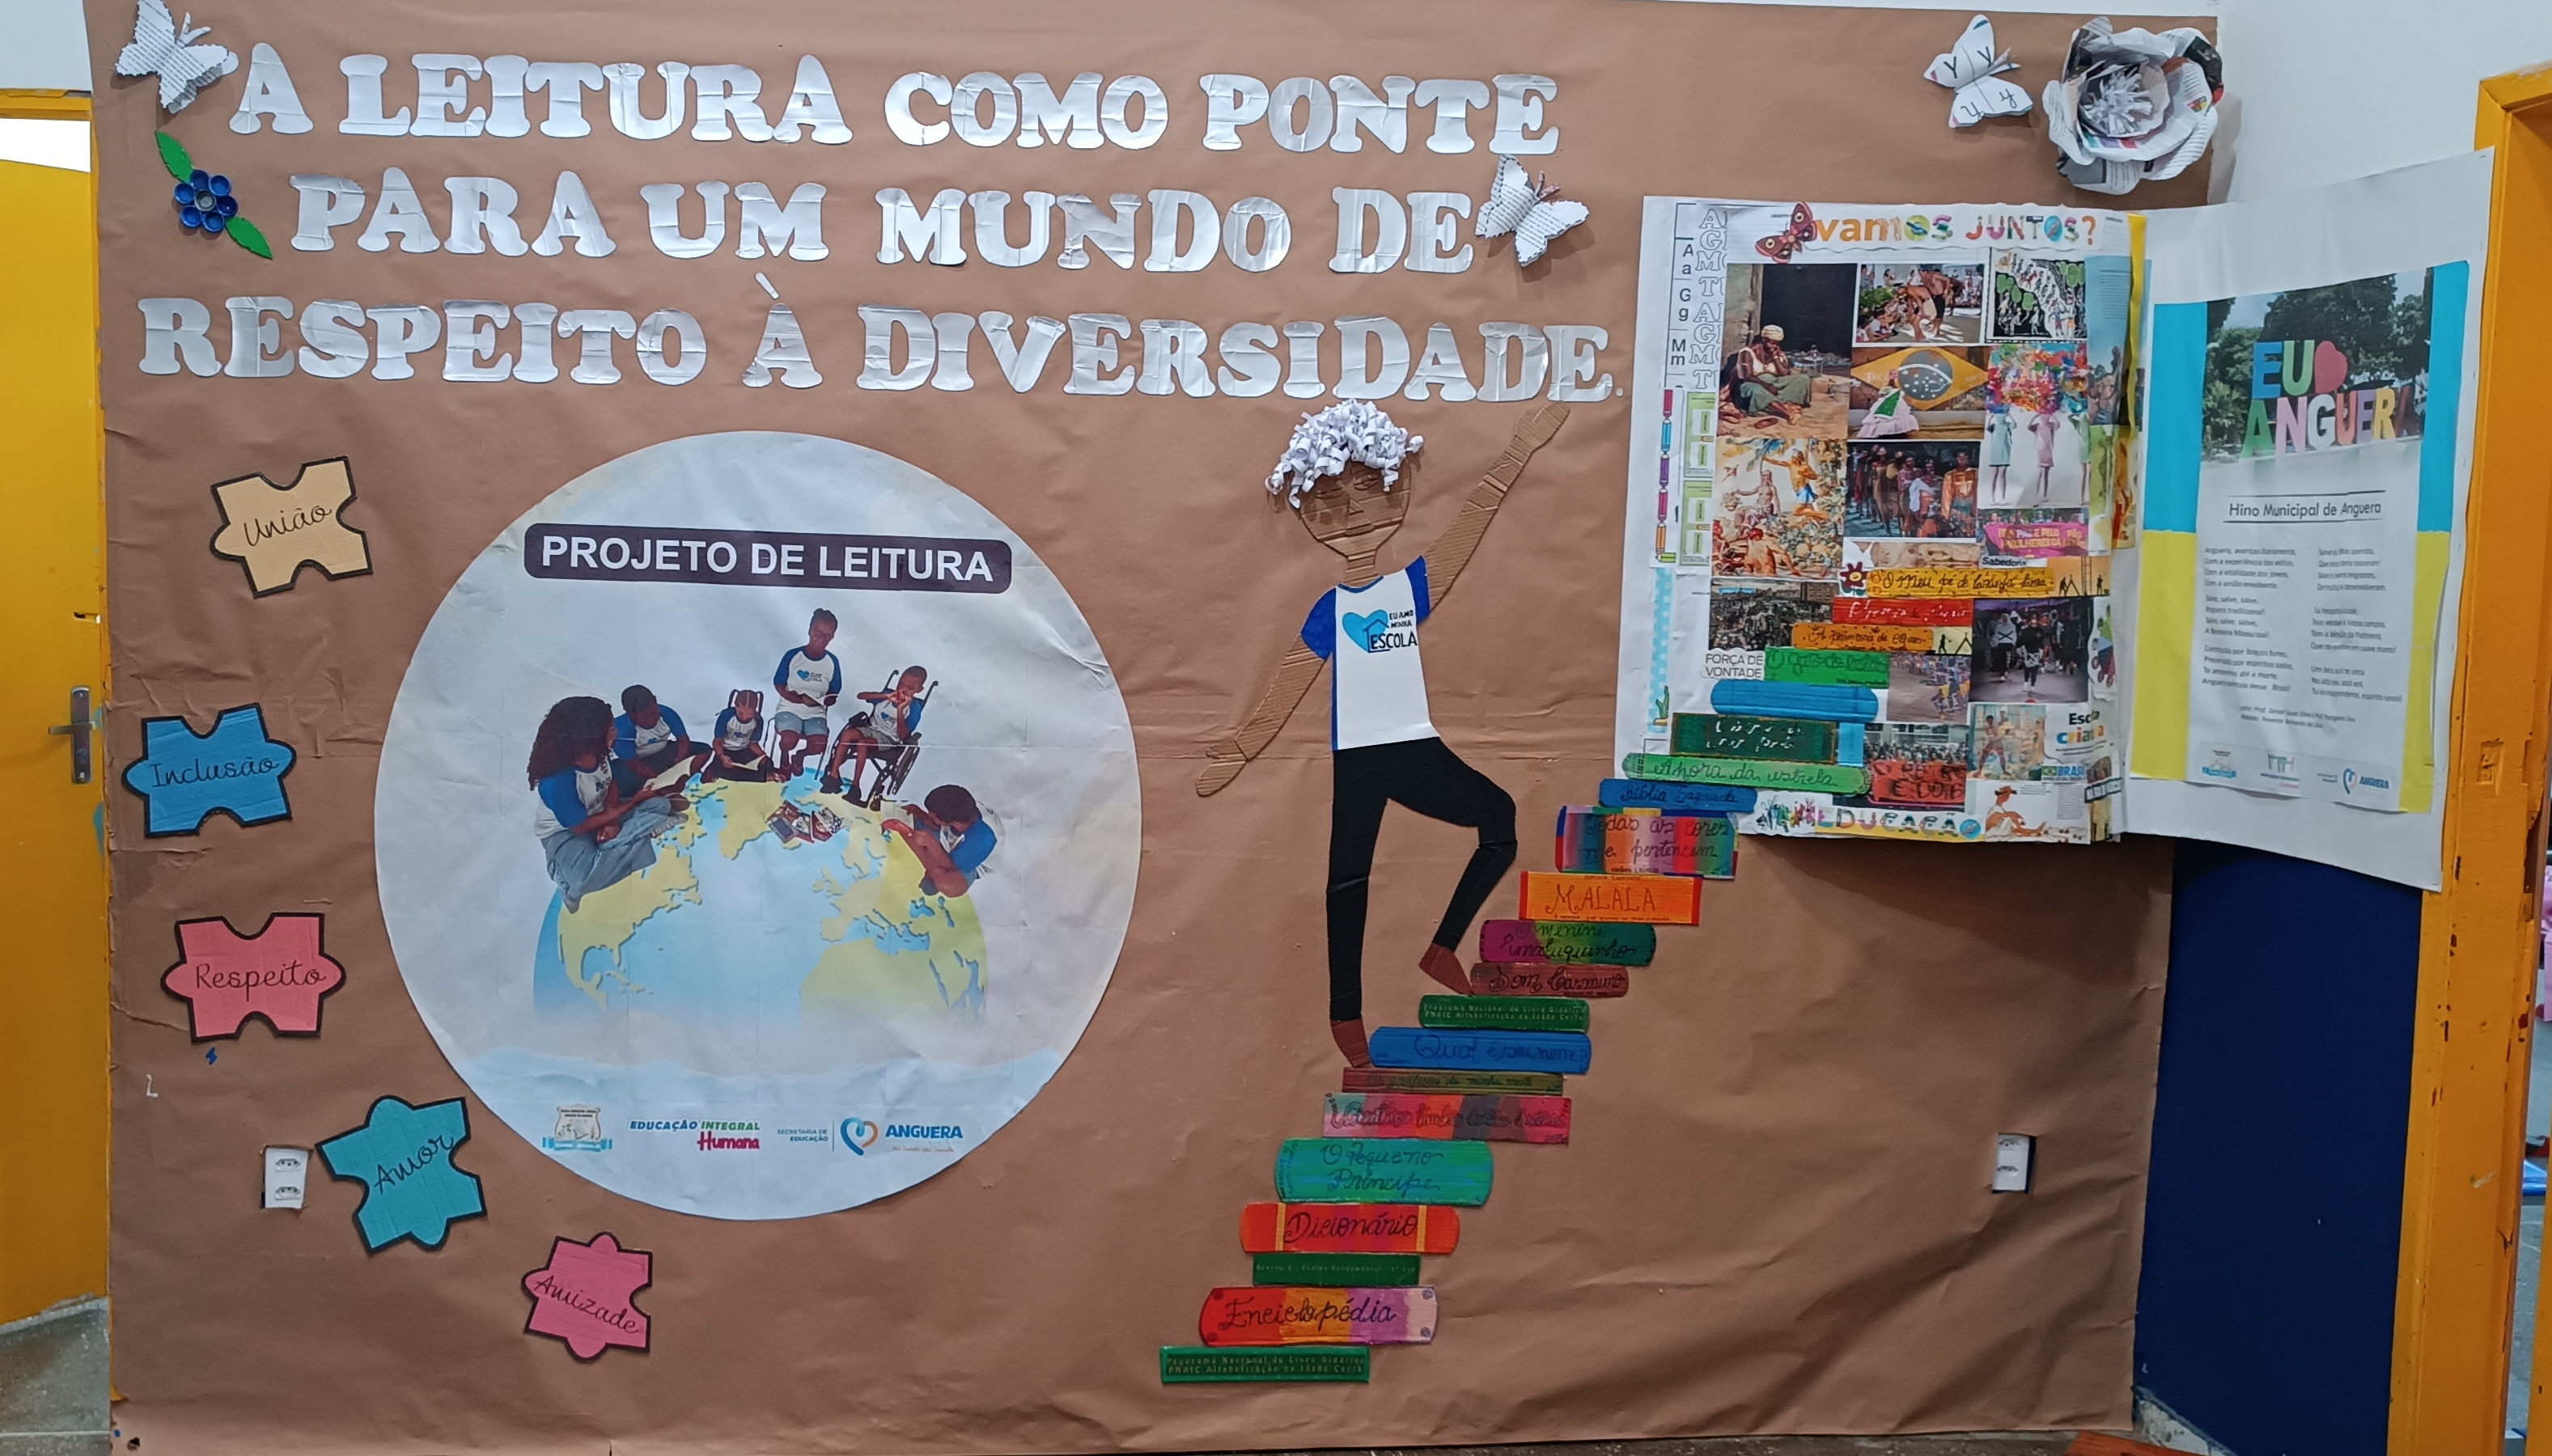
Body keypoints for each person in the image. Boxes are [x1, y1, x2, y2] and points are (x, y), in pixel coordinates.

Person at [1201, 402, 1561, 1069]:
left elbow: (1470, 523)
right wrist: (1245, 747)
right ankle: (1346, 1018)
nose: (1352, 514)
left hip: (1413, 747)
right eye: (1330, 503)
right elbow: (1291, 682)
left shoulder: (1410, 589)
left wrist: (1518, 451)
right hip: (1358, 759)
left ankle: (1441, 947)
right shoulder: (1330, 609)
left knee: (1499, 819)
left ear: (1396, 491)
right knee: (1347, 884)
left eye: (1369, 491)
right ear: (1310, 516)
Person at [528, 696, 684, 914]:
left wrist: (613, 819)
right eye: (610, 728)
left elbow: (610, 784)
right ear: (589, 736)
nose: (615, 732)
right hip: (566, 834)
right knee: (581, 880)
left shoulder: (598, 755)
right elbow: (580, 827)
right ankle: (638, 834)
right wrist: (631, 804)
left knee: (660, 805)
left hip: (601, 813)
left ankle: (623, 839)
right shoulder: (557, 781)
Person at [822, 665, 930, 805]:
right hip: (871, 728)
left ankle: (855, 787)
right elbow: (861, 696)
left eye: (910, 688)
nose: (902, 690)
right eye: (901, 684)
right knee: (848, 734)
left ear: (919, 690)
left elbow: (903, 736)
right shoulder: (888, 695)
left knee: (863, 744)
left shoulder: (914, 708)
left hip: (889, 739)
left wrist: (900, 710)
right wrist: (885, 696)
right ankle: (834, 776)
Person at [884, 785, 997, 899]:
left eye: (933, 816)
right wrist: (920, 813)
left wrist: (931, 843)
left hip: (967, 864)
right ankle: (934, 870)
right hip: (948, 844)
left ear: (955, 823)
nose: (929, 815)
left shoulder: (982, 839)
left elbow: (952, 865)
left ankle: (933, 870)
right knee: (905, 820)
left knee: (952, 888)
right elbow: (938, 826)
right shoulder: (962, 812)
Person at [771, 609, 844, 780]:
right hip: (789, 709)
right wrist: (790, 696)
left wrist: (828, 700)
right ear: (810, 631)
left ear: (833, 637)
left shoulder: (832, 662)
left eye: (828, 636)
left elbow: (835, 691)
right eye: (818, 634)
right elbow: (778, 683)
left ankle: (800, 757)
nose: (822, 639)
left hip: (816, 713)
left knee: (819, 745)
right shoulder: (793, 656)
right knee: (789, 740)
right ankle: (785, 757)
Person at [612, 684, 701, 787]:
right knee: (621, 780)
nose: (651, 720)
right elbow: (632, 763)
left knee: (703, 750)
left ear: (655, 700)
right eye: (644, 718)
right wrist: (659, 780)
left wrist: (679, 764)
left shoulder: (667, 714)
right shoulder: (621, 730)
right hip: (637, 763)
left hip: (662, 754)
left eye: (654, 713)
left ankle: (677, 780)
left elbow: (683, 740)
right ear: (630, 714)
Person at [1726, 324, 1816, 421]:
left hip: (1774, 382)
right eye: (1772, 343)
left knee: (1803, 379)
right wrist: (1767, 386)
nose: (1775, 346)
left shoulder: (1777, 352)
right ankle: (1787, 412)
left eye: (1777, 344)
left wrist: (1775, 357)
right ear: (1764, 340)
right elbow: (1748, 376)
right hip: (1751, 384)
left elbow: (1785, 375)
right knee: (1757, 391)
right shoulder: (1747, 352)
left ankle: (1774, 405)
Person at [702, 689, 774, 783]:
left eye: (749, 716)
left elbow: (753, 744)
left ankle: (757, 777)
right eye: (741, 714)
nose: (744, 718)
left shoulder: (758, 720)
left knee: (767, 764)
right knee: (722, 770)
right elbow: (717, 741)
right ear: (736, 706)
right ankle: (759, 778)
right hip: (726, 751)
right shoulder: (726, 716)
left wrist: (762, 756)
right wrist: (722, 756)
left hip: (744, 751)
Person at [2028, 404, 2062, 503]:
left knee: (2046, 474)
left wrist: (2054, 416)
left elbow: (2058, 425)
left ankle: (2044, 495)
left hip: (2048, 450)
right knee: (2040, 473)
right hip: (2041, 450)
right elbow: (2029, 427)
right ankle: (2037, 494)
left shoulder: (2051, 425)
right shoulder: (2038, 426)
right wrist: (2035, 417)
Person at [1983, 408, 2016, 506]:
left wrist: (2010, 415)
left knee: (2002, 474)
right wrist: (1990, 417)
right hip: (1995, 452)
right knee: (1994, 475)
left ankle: (2003, 497)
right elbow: (1987, 428)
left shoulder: (2007, 425)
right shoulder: (1994, 426)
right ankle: (1992, 498)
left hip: (2005, 451)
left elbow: (2015, 425)